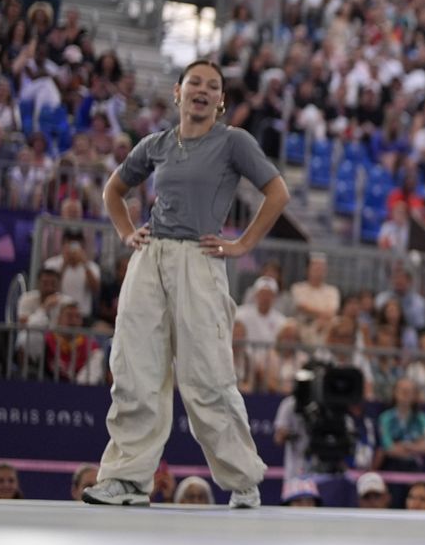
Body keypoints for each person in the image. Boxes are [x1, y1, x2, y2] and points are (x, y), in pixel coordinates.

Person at [83, 61, 289, 509]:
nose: (203, 90)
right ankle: (127, 479)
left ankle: (242, 481)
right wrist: (125, 232)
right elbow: (113, 192)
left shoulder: (234, 141)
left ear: (221, 101)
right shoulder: (156, 143)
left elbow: (278, 193)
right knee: (134, 368)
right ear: (177, 92)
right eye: (194, 82)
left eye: (212, 86)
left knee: (207, 376)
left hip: (200, 259)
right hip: (150, 256)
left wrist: (242, 243)